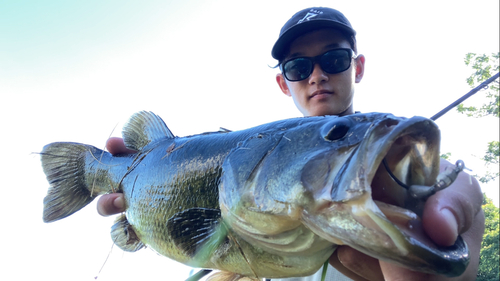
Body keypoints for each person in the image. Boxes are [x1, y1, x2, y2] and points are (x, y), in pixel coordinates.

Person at [98, 7, 485, 281]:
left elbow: (433, 197)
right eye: (299, 68)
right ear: (284, 82)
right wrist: (150, 223)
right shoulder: (250, 169)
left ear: (358, 66)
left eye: (333, 59)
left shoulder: (407, 176)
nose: (316, 75)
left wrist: (436, 202)